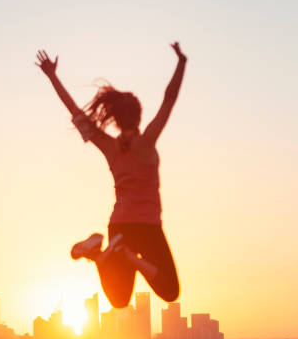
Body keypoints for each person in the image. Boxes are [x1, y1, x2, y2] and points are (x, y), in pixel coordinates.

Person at [35, 43, 187, 307]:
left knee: (119, 300)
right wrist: (181, 62)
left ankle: (98, 255)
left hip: (119, 227)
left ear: (116, 119)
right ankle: (131, 258)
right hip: (148, 227)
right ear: (139, 117)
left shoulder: (110, 147)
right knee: (170, 292)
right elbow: (169, 99)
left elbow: (77, 114)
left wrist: (52, 77)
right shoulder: (147, 142)